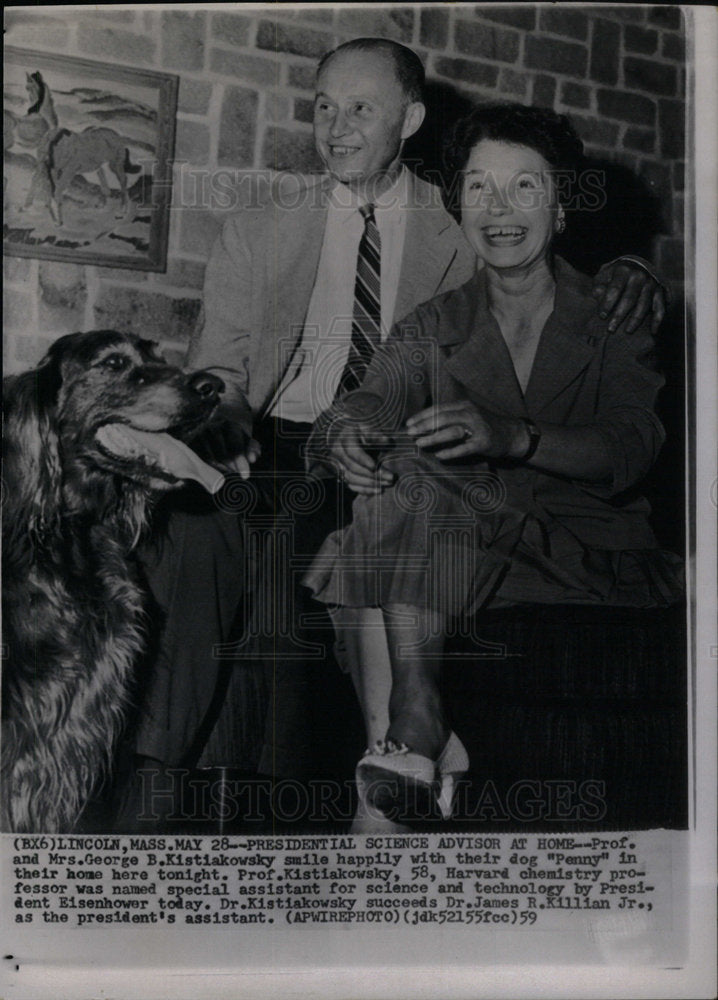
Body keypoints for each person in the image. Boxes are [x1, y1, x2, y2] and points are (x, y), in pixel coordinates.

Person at [130, 39, 668, 827]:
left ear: (410, 118)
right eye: (323, 106)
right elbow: (254, 373)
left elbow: (553, 272)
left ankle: (392, 767)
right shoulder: (268, 230)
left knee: (386, 523)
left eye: (360, 108)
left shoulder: (468, 227)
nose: (336, 128)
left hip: (441, 466)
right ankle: (160, 777)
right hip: (286, 444)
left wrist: (636, 269)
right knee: (204, 539)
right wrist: (250, 420)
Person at [302, 103, 683, 827]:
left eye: (524, 187)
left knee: (362, 551)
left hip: (581, 552)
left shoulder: (611, 312)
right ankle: (413, 731)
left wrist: (514, 437)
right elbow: (368, 401)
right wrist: (346, 435)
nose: (499, 209)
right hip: (462, 553)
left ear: (561, 205)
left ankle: (394, 782)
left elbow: (633, 447)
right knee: (404, 471)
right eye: (479, 188)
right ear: (457, 206)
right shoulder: (433, 324)